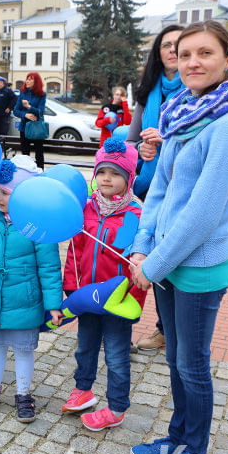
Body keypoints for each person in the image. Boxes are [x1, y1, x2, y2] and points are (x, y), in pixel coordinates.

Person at [128, 21, 228, 454]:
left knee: (192, 364)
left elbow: (203, 214)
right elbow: (160, 190)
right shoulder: (183, 112)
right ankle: (177, 436)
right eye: (184, 55)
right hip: (163, 262)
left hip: (199, 266)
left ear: (226, 60)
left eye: (205, 53)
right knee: (175, 358)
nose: (193, 63)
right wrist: (142, 247)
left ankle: (192, 453)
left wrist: (153, 265)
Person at [0, 155, 62, 422]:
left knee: (23, 350)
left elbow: (49, 267)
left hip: (24, 303)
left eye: (6, 192)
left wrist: (53, 304)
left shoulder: (38, 225)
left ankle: (23, 394)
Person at [61, 138, 147, 430]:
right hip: (87, 296)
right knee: (85, 347)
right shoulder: (85, 210)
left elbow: (138, 265)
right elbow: (75, 252)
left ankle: (117, 406)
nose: (106, 178)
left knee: (116, 354)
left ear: (128, 179)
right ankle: (83, 389)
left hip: (116, 302)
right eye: (102, 172)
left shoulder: (136, 216)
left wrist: (132, 300)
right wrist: (72, 287)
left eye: (115, 173)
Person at [127, 24, 184, 354]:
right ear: (158, 53)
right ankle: (163, 330)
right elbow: (131, 140)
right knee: (151, 258)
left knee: (177, 261)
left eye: (179, 44)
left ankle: (176, 332)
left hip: (181, 188)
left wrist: (167, 143)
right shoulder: (148, 92)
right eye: (167, 45)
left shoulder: (196, 92)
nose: (173, 50)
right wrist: (141, 151)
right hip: (149, 189)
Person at [13, 72, 47, 169]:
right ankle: (26, 174)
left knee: (39, 154)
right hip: (24, 128)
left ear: (36, 81)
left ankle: (40, 174)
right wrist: (25, 115)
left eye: (30, 79)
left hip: (37, 127)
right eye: (27, 79)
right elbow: (15, 111)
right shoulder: (23, 93)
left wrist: (29, 107)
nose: (27, 81)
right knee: (25, 155)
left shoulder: (42, 94)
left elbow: (40, 111)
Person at [0, 76, 17, 141]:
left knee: (3, 132)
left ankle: (3, 147)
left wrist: (9, 108)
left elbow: (15, 99)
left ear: (2, 83)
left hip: (4, 116)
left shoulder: (7, 91)